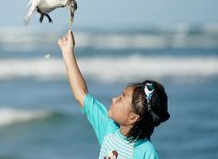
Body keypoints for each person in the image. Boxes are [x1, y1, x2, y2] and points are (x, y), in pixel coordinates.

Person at [58, 30, 170, 159]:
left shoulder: (145, 151)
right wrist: (67, 51)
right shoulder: (109, 130)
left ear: (134, 117)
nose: (114, 99)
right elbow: (81, 95)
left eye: (121, 98)